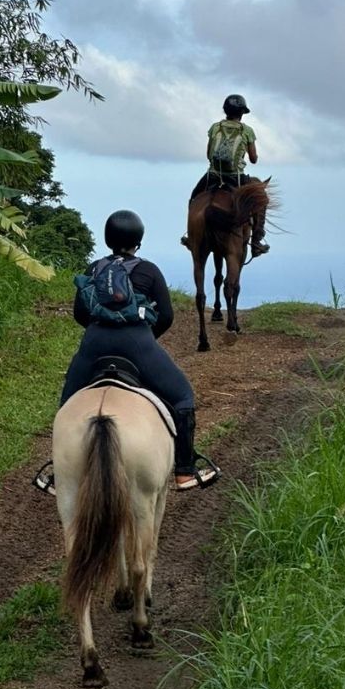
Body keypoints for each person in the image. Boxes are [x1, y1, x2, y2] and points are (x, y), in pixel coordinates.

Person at [54, 209, 220, 492]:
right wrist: (144, 338)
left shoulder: (93, 269)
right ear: (138, 241)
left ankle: (57, 473)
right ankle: (184, 471)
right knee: (182, 396)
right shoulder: (149, 270)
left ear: (107, 238)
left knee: (67, 404)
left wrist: (100, 332)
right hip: (138, 343)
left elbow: (80, 313)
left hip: (94, 343)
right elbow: (166, 315)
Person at [182, 94, 269, 257]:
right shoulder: (247, 131)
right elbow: (253, 159)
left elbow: (209, 154)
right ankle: (257, 241)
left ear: (225, 111)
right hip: (236, 178)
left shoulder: (215, 127)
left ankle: (190, 235)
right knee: (259, 200)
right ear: (242, 113)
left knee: (195, 196)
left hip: (213, 175)